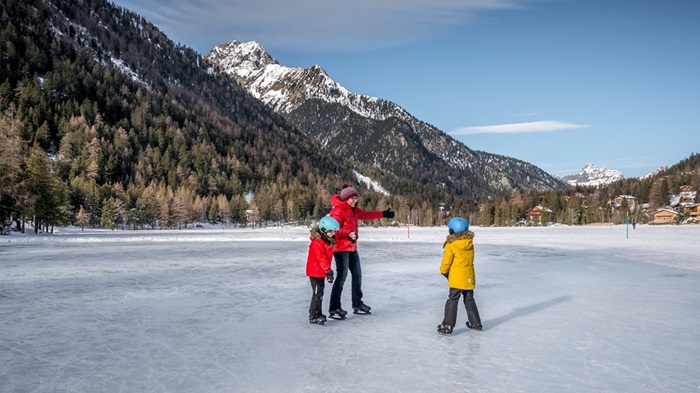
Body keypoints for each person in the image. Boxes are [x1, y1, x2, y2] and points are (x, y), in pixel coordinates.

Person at [328, 183, 394, 319]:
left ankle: (357, 304)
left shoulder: (354, 210)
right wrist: (349, 233)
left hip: (352, 248)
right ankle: (334, 307)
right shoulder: (338, 211)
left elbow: (367, 215)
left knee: (358, 275)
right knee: (342, 276)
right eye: (352, 199)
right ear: (345, 199)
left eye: (356, 198)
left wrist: (383, 214)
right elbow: (333, 230)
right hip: (340, 248)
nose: (355, 201)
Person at [437, 217, 482, 335]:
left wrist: (443, 271)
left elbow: (446, 261)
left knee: (452, 300)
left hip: (457, 278)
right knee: (469, 299)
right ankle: (476, 323)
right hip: (469, 277)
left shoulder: (452, 245)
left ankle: (447, 325)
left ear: (452, 231)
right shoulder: (469, 243)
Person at [306, 215, 340, 325]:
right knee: (317, 294)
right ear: (324, 230)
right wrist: (328, 270)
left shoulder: (327, 240)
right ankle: (313, 316)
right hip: (315, 272)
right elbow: (321, 258)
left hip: (321, 272)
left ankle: (318, 313)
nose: (333, 233)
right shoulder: (317, 243)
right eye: (331, 231)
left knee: (320, 293)